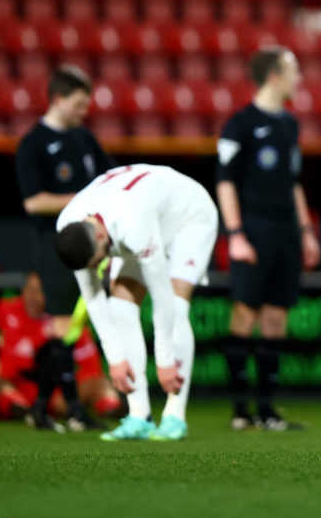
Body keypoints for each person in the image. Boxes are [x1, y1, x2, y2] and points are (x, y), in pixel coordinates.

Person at [55, 163, 219, 441]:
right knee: (119, 308)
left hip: (189, 217)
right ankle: (139, 416)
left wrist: (165, 361)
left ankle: (174, 416)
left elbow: (161, 295)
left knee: (177, 308)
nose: (100, 266)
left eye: (99, 260)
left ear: (97, 235)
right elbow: (94, 297)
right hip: (145, 215)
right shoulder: (68, 228)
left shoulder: (131, 224)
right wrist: (115, 360)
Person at [217, 47, 321, 431]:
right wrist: (236, 235)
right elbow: (225, 182)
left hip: (286, 233)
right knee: (245, 313)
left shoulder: (290, 125)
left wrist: (306, 231)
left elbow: (292, 183)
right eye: (293, 71)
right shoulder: (239, 125)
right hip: (253, 229)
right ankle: (240, 410)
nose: (299, 79)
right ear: (274, 76)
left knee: (277, 318)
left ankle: (266, 409)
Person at [14, 65, 113, 431]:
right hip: (53, 244)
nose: (83, 111)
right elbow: (33, 203)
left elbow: (109, 176)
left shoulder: (84, 139)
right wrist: (81, 199)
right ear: (58, 99)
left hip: (90, 248)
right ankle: (71, 411)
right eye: (78, 104)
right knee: (62, 327)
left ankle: (44, 408)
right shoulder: (33, 144)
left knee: (69, 330)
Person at [0, 276, 122, 429]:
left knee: (100, 382)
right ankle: (20, 408)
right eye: (29, 290)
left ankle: (112, 410)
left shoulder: (69, 323)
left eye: (40, 291)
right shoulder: (6, 309)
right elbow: (12, 364)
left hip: (55, 396)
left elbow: (91, 367)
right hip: (17, 387)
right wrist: (43, 333)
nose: (33, 296)